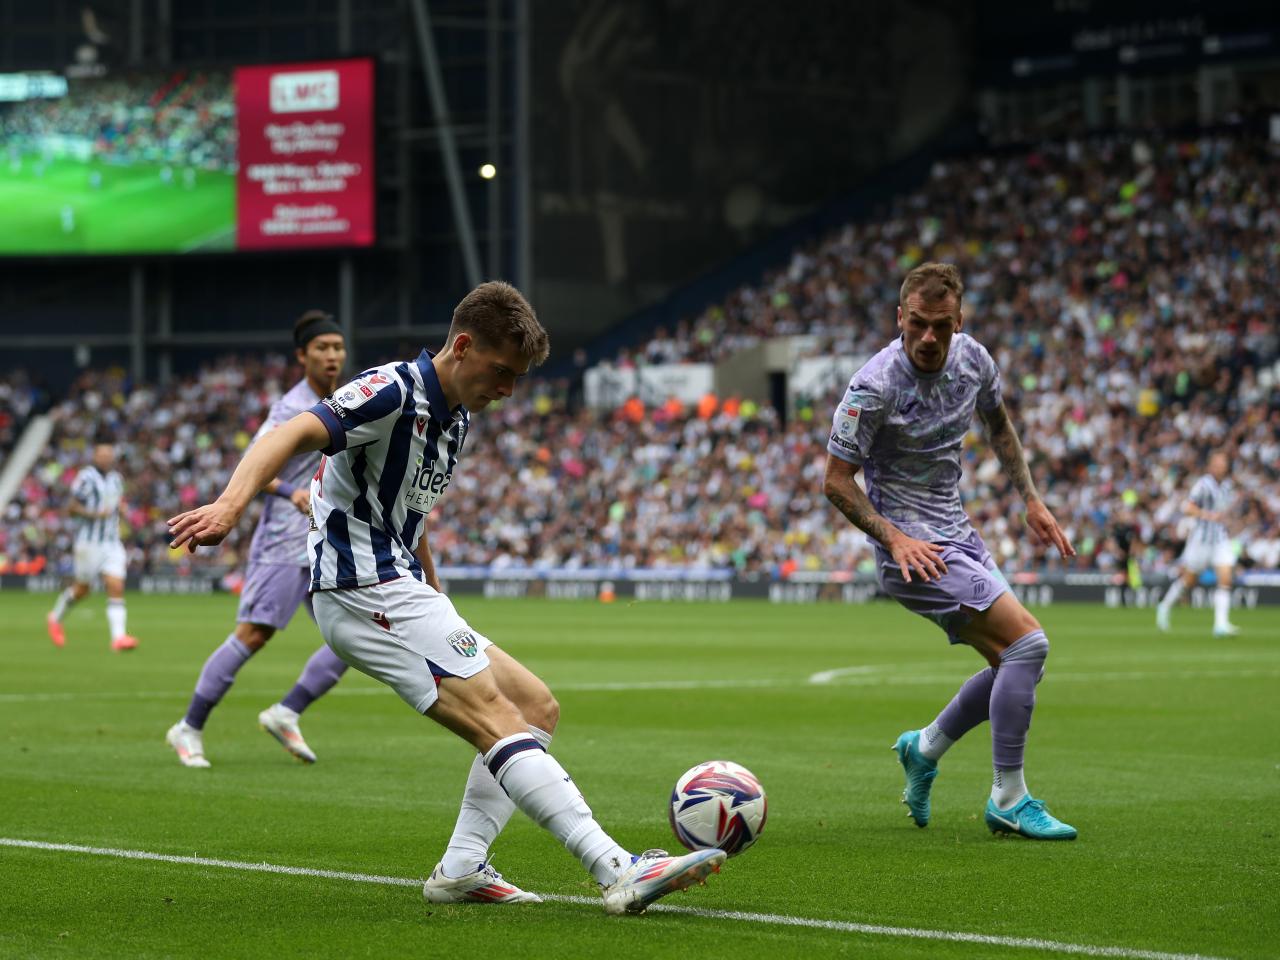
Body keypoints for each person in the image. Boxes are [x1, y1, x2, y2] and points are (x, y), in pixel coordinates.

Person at [167, 281, 725, 913]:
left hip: (398, 583)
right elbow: (291, 432)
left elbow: (414, 509)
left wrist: (433, 588)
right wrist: (229, 506)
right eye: (501, 372)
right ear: (462, 346)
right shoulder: (390, 389)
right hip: (361, 588)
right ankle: (616, 868)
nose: (507, 390)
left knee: (534, 706)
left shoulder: (455, 415)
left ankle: (461, 869)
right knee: (498, 718)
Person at [823, 262, 1078, 841]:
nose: (929, 337)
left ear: (959, 321)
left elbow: (1000, 425)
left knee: (1010, 662)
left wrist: (1032, 501)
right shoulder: (872, 386)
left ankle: (925, 747)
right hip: (911, 552)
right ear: (900, 319)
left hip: (960, 535)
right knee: (1028, 647)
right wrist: (894, 536)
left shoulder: (974, 359)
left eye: (941, 325)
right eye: (917, 324)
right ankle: (1009, 799)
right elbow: (836, 481)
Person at [167, 311, 353, 769]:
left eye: (337, 347)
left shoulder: (347, 400)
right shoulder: (293, 408)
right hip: (283, 538)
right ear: (302, 356)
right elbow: (255, 460)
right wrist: (290, 490)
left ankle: (286, 712)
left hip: (324, 536)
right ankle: (187, 727)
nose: (332, 356)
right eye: (322, 348)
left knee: (353, 637)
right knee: (254, 634)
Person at [46, 440, 139, 652]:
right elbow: (71, 507)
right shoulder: (86, 478)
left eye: (109, 454)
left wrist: (121, 510)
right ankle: (55, 617)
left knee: (115, 585)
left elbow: (116, 502)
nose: (106, 458)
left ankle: (119, 638)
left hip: (112, 542)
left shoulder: (116, 479)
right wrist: (94, 514)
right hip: (89, 543)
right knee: (82, 590)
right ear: (95, 456)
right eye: (102, 454)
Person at [1155, 452, 1239, 637]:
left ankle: (1221, 625)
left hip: (1220, 538)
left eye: (1222, 464)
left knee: (1225, 578)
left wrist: (1228, 518)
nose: (1219, 467)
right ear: (1210, 466)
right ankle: (1164, 606)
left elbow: (1224, 510)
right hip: (1201, 540)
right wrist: (1207, 515)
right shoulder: (1203, 484)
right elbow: (1188, 507)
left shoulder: (1227, 486)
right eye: (1216, 463)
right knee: (1189, 580)